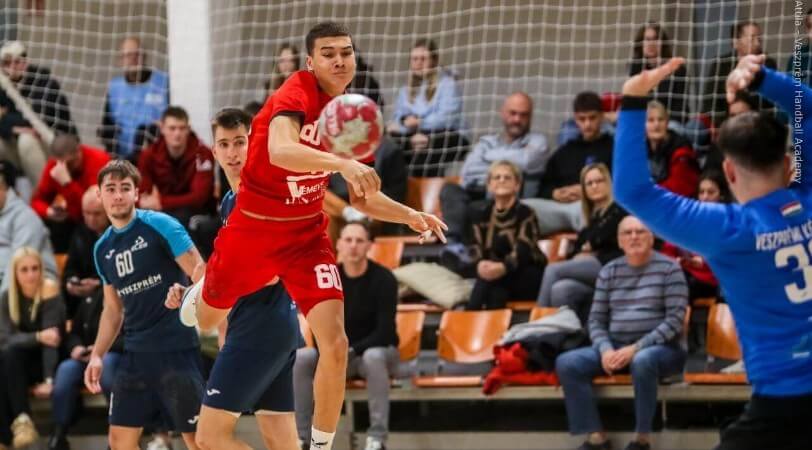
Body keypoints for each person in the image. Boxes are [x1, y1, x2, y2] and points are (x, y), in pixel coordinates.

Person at [178, 22, 446, 450]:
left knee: (335, 344)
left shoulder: (349, 116)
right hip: (254, 231)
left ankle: (320, 445)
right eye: (328, 53)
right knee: (204, 321)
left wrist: (410, 214)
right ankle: (202, 290)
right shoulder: (297, 90)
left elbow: (363, 196)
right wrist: (342, 164)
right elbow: (281, 150)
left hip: (305, 238)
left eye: (346, 52)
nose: (339, 61)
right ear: (310, 62)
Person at [613, 54, 812, 450]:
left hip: (785, 403)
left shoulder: (729, 229)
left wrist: (633, 99)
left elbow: (632, 191)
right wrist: (760, 78)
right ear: (789, 162)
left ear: (730, 173)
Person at [166, 108, 302, 450]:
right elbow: (228, 269)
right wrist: (194, 292)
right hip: (269, 328)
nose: (232, 153)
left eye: (240, 142)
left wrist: (213, 292)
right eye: (224, 144)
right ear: (214, 151)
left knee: (208, 438)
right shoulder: (230, 202)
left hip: (260, 329)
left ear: (254, 145)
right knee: (281, 441)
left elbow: (271, 273)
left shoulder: (263, 197)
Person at [83, 159, 205, 450]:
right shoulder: (102, 249)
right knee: (119, 441)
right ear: (99, 194)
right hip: (135, 354)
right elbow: (113, 310)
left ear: (136, 193)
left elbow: (203, 275)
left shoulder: (161, 225)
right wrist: (97, 355)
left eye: (125, 188)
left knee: (197, 440)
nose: (118, 195)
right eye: (111, 189)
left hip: (175, 349)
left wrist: (185, 292)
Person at [556, 216, 688, 450]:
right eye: (627, 233)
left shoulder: (670, 269)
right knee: (568, 362)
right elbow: (596, 320)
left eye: (640, 231)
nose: (634, 237)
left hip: (662, 350)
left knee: (643, 360)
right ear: (619, 241)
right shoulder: (609, 271)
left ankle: (642, 439)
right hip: (616, 346)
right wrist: (606, 350)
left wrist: (635, 348)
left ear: (652, 237)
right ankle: (596, 438)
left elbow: (674, 321)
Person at [294, 221, 399, 450]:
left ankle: (377, 439)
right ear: (339, 244)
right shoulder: (329, 280)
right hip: (336, 354)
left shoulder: (384, 279)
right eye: (348, 240)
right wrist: (333, 352)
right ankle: (302, 438)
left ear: (369, 245)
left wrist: (350, 350)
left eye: (359, 241)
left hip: (371, 354)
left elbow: (385, 332)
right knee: (303, 358)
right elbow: (320, 326)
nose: (353, 246)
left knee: (373, 357)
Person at [440, 92, 551, 245]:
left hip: (509, 201)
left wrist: (488, 157)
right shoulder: (487, 141)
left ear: (530, 116)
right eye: (513, 113)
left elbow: (526, 161)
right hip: (476, 192)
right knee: (450, 190)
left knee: (478, 206)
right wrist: (506, 166)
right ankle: (453, 245)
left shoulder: (538, 142)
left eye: (523, 115)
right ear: (503, 113)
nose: (517, 119)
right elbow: (469, 171)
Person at [537, 164, 626, 323]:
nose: (594, 186)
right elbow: (579, 249)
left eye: (599, 181)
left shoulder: (619, 210)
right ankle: (560, 335)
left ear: (609, 183)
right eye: (589, 183)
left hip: (613, 267)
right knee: (561, 289)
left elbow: (599, 239)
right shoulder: (592, 218)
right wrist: (586, 248)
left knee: (553, 270)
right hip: (594, 271)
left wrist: (590, 246)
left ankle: (536, 325)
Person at [0, 247, 66, 449]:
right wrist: (37, 336)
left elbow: (52, 342)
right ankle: (14, 430)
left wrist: (48, 379)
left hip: (47, 362)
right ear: (15, 273)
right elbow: (5, 339)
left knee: (10, 356)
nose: (31, 274)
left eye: (35, 268)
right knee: (7, 357)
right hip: (16, 365)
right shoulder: (7, 297)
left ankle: (17, 427)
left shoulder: (49, 290)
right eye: (24, 269)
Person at [525, 91, 613, 234]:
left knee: (585, 210)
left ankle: (587, 244)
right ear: (575, 120)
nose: (587, 124)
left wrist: (588, 191)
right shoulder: (564, 152)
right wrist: (555, 193)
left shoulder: (614, 149)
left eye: (592, 118)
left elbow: (621, 185)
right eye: (582, 119)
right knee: (523, 208)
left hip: (593, 206)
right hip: (561, 208)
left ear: (602, 117)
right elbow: (543, 188)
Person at [465, 160, 546, 310]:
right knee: (495, 291)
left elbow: (523, 251)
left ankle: (468, 315)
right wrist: (480, 264)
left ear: (517, 185)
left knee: (490, 282)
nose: (501, 180)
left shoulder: (526, 213)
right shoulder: (482, 214)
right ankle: (489, 323)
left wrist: (503, 267)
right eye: (497, 177)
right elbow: (475, 246)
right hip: (494, 278)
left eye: (507, 177)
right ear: (489, 185)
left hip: (525, 274)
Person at [389, 38, 468, 176]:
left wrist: (420, 123)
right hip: (413, 135)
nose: (418, 63)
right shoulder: (405, 90)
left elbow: (447, 119)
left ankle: (426, 188)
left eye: (423, 59)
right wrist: (406, 125)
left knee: (425, 152)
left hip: (446, 136)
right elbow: (397, 118)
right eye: (415, 59)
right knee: (389, 145)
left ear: (434, 60)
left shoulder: (448, 84)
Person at [137, 106, 215, 228]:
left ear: (188, 129)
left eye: (182, 128)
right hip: (160, 212)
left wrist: (161, 201)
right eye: (172, 128)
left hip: (194, 213)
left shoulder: (203, 154)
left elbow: (199, 198)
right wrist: (149, 203)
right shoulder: (148, 155)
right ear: (162, 128)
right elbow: (144, 197)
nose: (177, 134)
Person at [31, 134, 111, 253]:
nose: (64, 168)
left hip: (100, 220)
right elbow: (36, 201)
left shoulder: (98, 160)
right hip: (72, 219)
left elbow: (92, 206)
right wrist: (49, 211)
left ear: (78, 152)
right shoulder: (56, 166)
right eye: (60, 163)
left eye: (69, 163)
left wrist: (67, 183)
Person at [99, 37, 169, 159]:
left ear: (144, 56)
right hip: (123, 157)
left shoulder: (163, 82)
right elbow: (107, 124)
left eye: (137, 54)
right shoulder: (115, 87)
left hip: (157, 155)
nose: (133, 59)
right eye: (128, 55)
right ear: (120, 60)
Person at [701, 21, 777, 126]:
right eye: (752, 39)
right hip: (724, 120)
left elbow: (768, 102)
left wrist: (743, 105)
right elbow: (709, 100)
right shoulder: (720, 64)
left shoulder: (767, 63)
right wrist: (720, 123)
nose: (757, 43)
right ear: (736, 42)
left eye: (759, 39)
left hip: (755, 120)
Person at [0, 159, 57, 293]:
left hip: (33, 280)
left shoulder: (25, 217)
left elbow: (21, 262)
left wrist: (3, 301)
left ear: (3, 189)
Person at [629, 22, 689, 123]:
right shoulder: (636, 69)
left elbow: (680, 106)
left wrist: (661, 123)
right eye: (647, 39)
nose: (651, 44)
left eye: (656, 39)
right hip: (644, 122)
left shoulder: (677, 69)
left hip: (671, 122)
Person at [645, 101, 699, 197]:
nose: (656, 124)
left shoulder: (681, 150)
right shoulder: (639, 148)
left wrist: (645, 194)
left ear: (667, 122)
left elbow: (679, 188)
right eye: (651, 120)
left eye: (661, 119)